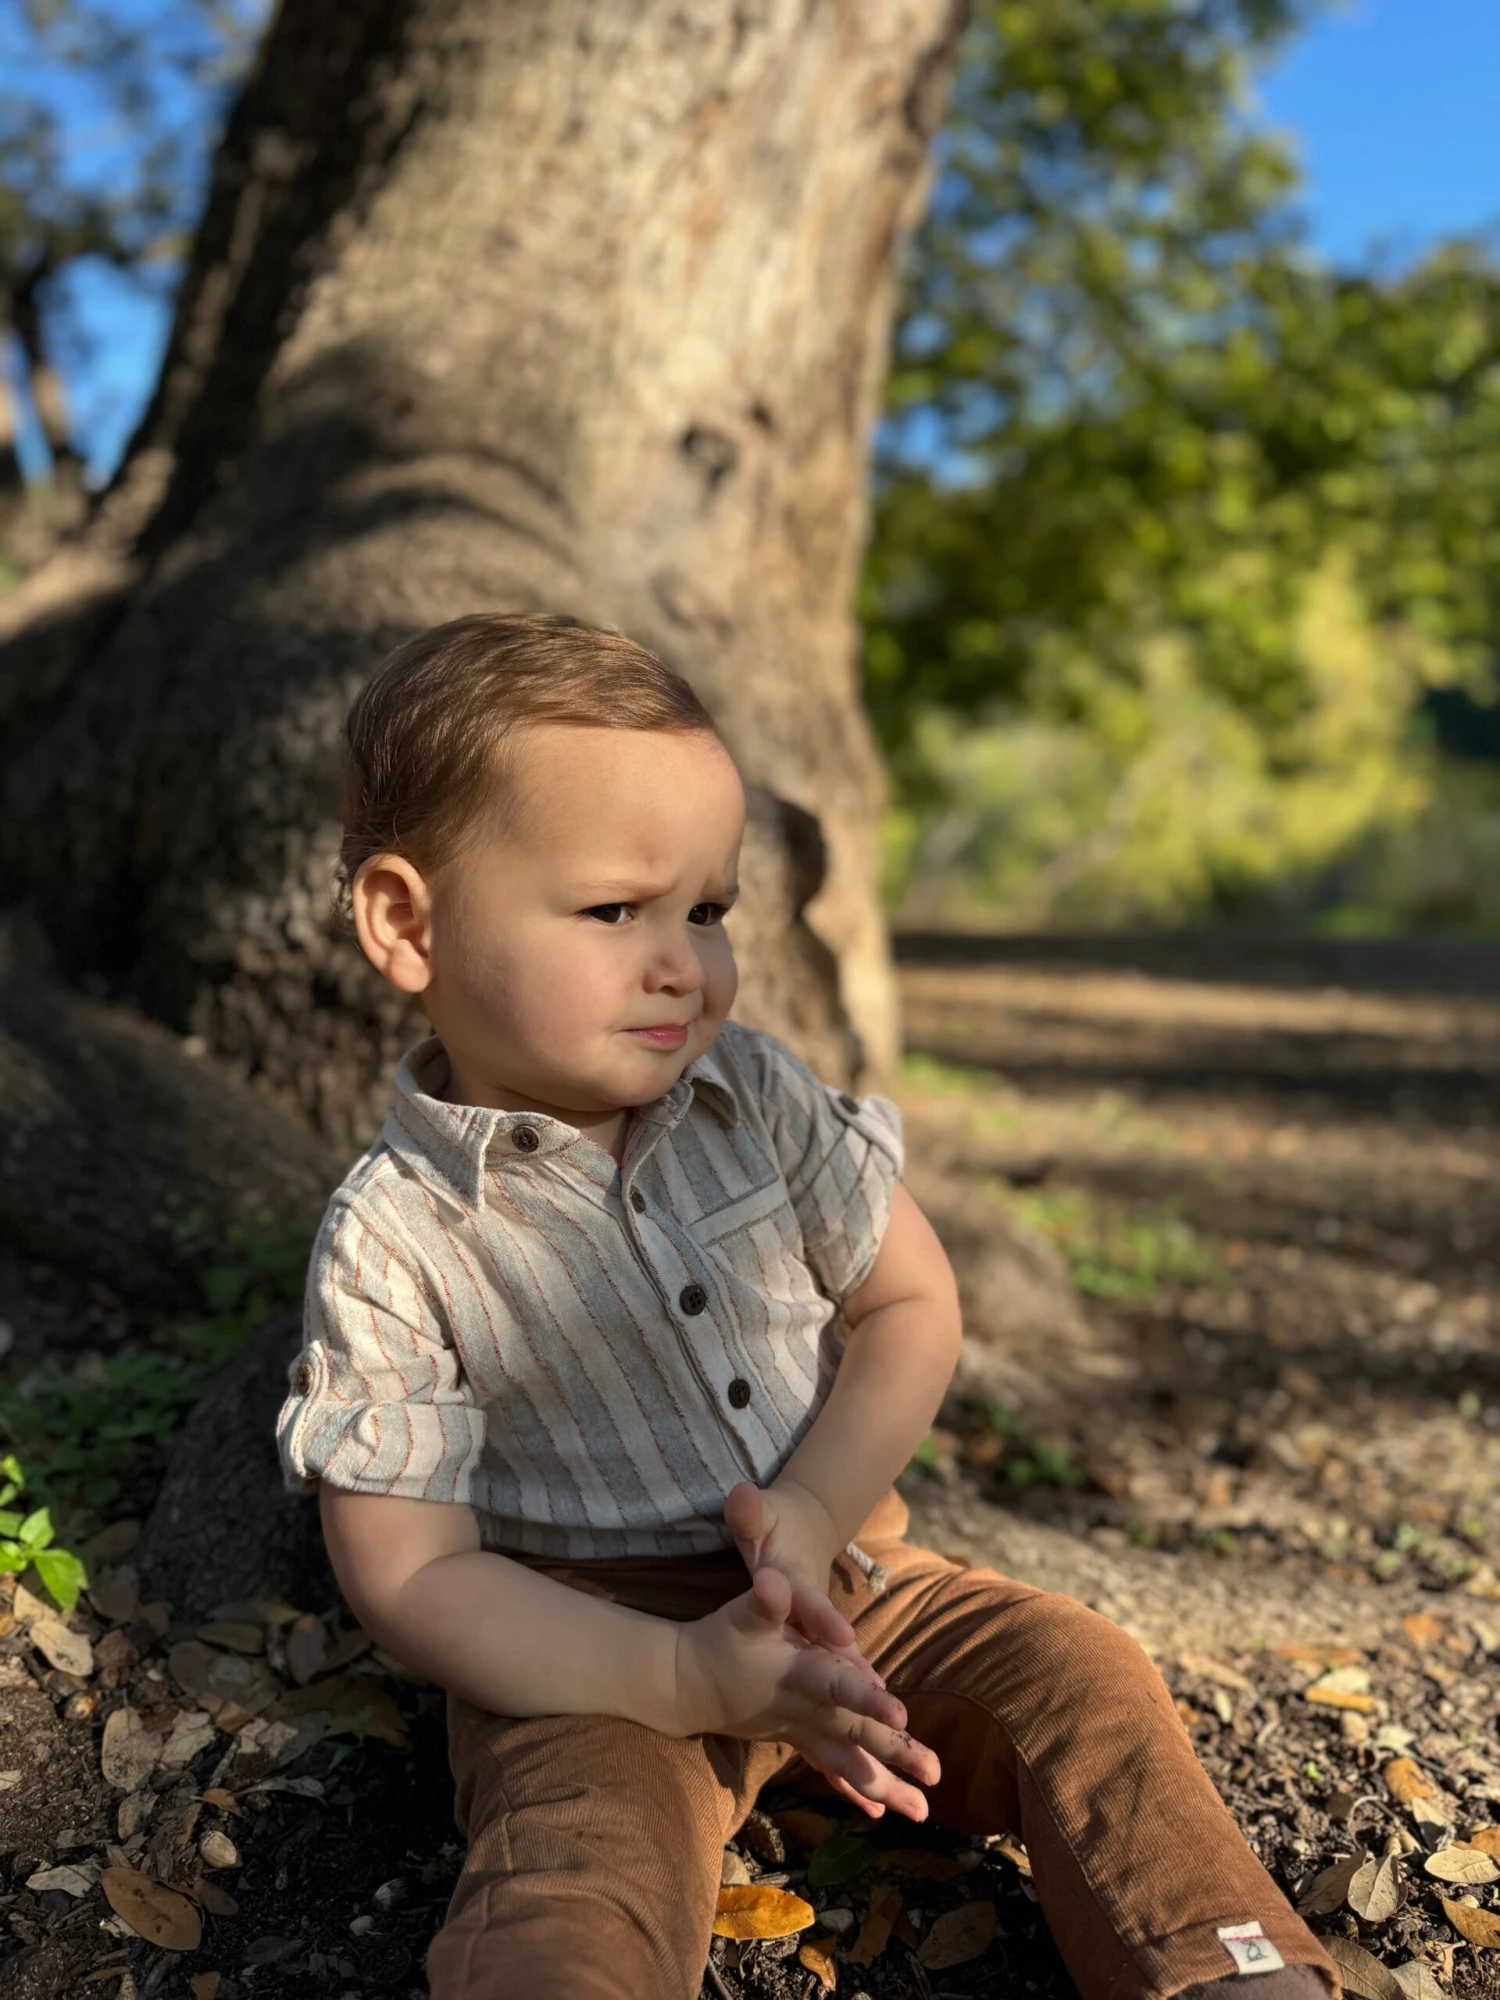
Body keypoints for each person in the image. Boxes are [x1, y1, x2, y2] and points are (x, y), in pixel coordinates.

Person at [276, 613, 1338, 2000]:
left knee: (1080, 1674)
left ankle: (1228, 1971)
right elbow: (410, 1573)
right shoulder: (399, 1234)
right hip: (591, 1651)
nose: (684, 963)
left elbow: (909, 1300)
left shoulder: (756, 1099)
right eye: (615, 911)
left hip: (853, 1583)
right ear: (408, 924)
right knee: (573, 1874)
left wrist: (822, 1508)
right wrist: (678, 1680)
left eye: (707, 911)